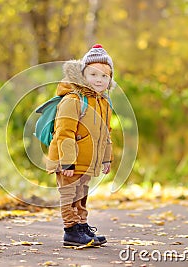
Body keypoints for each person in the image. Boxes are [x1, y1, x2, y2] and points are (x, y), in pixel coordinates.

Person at [46, 44, 114, 246]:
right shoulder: (73, 99)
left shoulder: (103, 103)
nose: (99, 80)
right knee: (69, 195)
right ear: (83, 75)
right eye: (94, 74)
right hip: (68, 162)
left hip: (86, 161)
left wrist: (106, 158)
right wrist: (67, 162)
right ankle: (71, 230)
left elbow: (105, 134)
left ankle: (82, 225)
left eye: (105, 76)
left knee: (81, 195)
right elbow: (64, 133)